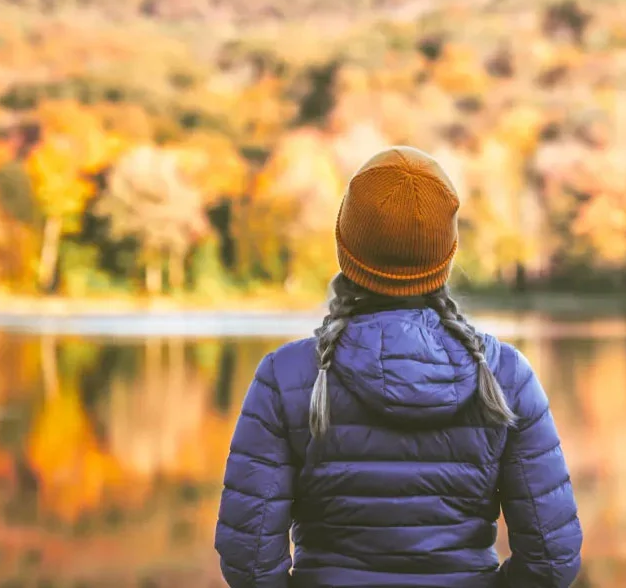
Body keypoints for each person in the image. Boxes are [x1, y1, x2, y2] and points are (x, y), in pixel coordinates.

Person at [215, 146, 582, 587]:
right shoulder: (505, 375)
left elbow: (249, 561)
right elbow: (551, 560)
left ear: (346, 249)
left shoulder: (287, 377)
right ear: (445, 256)